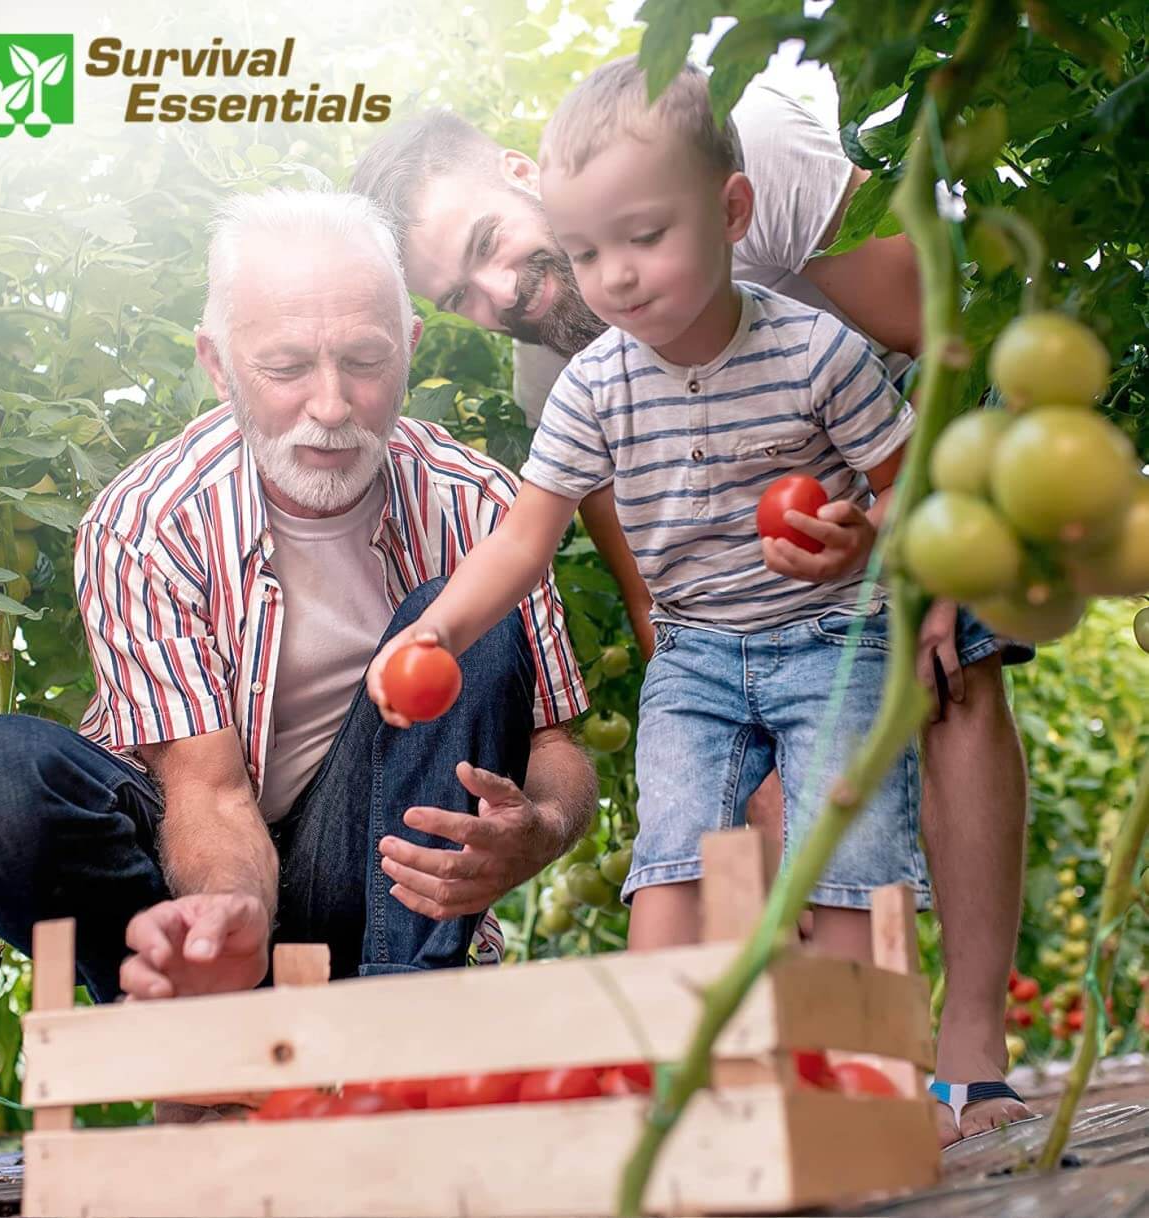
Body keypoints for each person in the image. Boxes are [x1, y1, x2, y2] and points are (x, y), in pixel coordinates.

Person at [352, 69, 1032, 1146]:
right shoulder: (563, 382)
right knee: (700, 835)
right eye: (459, 298)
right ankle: (690, 1077)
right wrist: (446, 629)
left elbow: (954, 345)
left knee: (948, 671)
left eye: (489, 244)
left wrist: (909, 561)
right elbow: (635, 578)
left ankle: (962, 1056)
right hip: (732, 620)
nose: (500, 297)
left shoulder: (742, 156)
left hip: (909, 474)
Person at [0, 190, 596, 1023]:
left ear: (412, 348)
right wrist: (229, 914)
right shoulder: (145, 524)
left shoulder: (484, 510)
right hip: (195, 859)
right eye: (285, 368)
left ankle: (397, 1040)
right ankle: (201, 1024)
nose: (330, 405)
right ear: (218, 364)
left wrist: (538, 825)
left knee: (464, 618)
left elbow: (555, 746)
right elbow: (207, 793)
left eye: (364, 360)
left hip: (372, 875)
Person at [369, 57, 930, 981]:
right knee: (670, 878)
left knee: (846, 878)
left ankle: (874, 1095)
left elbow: (904, 473)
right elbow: (523, 538)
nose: (615, 280)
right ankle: (672, 1095)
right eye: (588, 254)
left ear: (732, 214)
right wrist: (434, 631)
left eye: (644, 239)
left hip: (833, 637)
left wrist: (870, 540)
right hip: (699, 664)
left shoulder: (817, 349)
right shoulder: (584, 386)